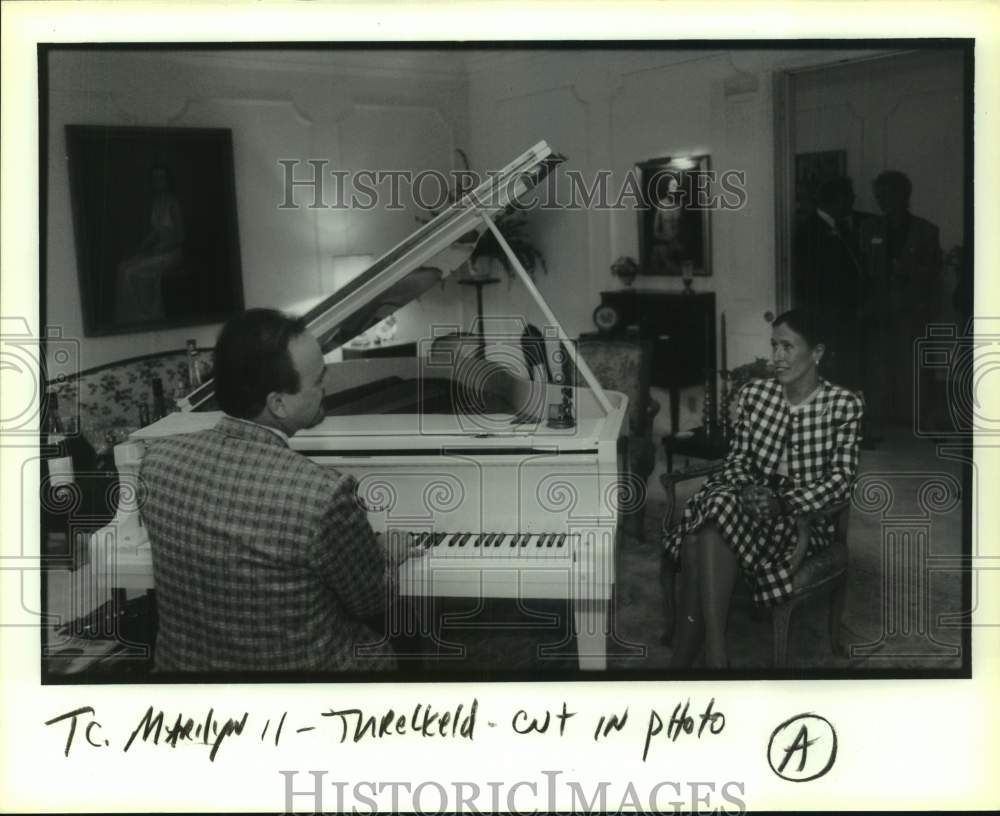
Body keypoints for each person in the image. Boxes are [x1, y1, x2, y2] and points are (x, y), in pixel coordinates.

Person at [139, 308, 419, 673]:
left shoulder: (156, 462)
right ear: (278, 404)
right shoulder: (324, 493)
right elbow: (372, 601)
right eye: (318, 381)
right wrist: (387, 555)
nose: (326, 389)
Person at [661, 309, 863, 668]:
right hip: (746, 504)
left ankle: (696, 658)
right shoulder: (756, 394)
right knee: (718, 505)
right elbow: (738, 459)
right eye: (774, 346)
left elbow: (840, 480)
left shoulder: (843, 405)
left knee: (701, 532)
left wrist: (783, 503)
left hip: (799, 520)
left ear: (816, 353)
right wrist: (748, 491)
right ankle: (716, 657)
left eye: (787, 346)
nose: (777, 357)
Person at [860, 170, 943, 432]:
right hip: (879, 312)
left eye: (887, 195)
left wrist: (910, 271)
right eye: (878, 196)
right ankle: (882, 417)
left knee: (912, 367)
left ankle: (911, 418)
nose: (881, 201)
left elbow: (935, 272)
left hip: (911, 312)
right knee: (880, 367)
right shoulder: (869, 228)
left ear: (903, 195)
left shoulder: (927, 231)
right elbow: (860, 270)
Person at [792, 176, 865, 391]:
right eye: (850, 197)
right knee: (830, 369)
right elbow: (811, 279)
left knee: (846, 368)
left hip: (848, 315)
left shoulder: (843, 227)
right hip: (828, 314)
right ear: (838, 199)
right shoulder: (809, 230)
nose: (853, 201)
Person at [115, 164, 185, 324]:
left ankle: (145, 316)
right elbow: (154, 232)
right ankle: (128, 317)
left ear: (167, 180)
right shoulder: (156, 203)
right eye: (155, 178)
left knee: (130, 272)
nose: (158, 181)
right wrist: (140, 249)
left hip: (173, 254)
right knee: (122, 266)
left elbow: (181, 236)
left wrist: (161, 249)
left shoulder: (173, 202)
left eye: (161, 177)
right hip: (158, 251)